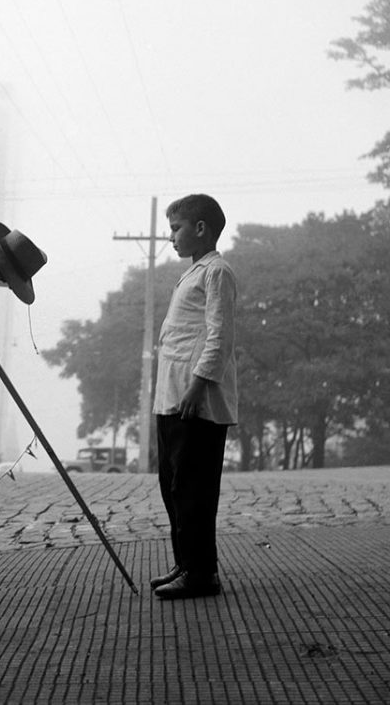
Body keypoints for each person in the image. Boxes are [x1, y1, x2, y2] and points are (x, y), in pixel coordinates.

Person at [151, 193, 238, 600]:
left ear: (200, 228)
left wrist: (197, 385)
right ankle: (186, 562)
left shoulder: (216, 272)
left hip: (194, 400)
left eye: (175, 229)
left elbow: (219, 336)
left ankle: (202, 572)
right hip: (171, 397)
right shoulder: (192, 273)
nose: (171, 238)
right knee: (172, 484)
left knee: (193, 489)